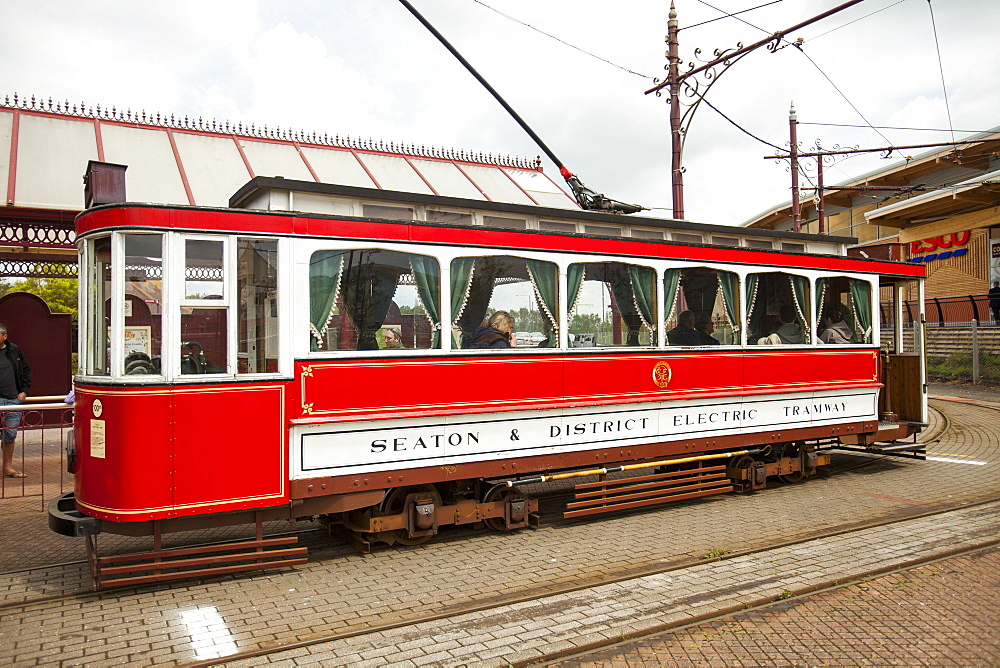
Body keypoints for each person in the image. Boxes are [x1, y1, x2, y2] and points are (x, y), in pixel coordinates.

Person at [0, 323, 31, 478]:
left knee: (10, 435)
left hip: (12, 400)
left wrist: (24, 391)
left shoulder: (14, 351)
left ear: (4, 336)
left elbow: (26, 370)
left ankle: (7, 468)